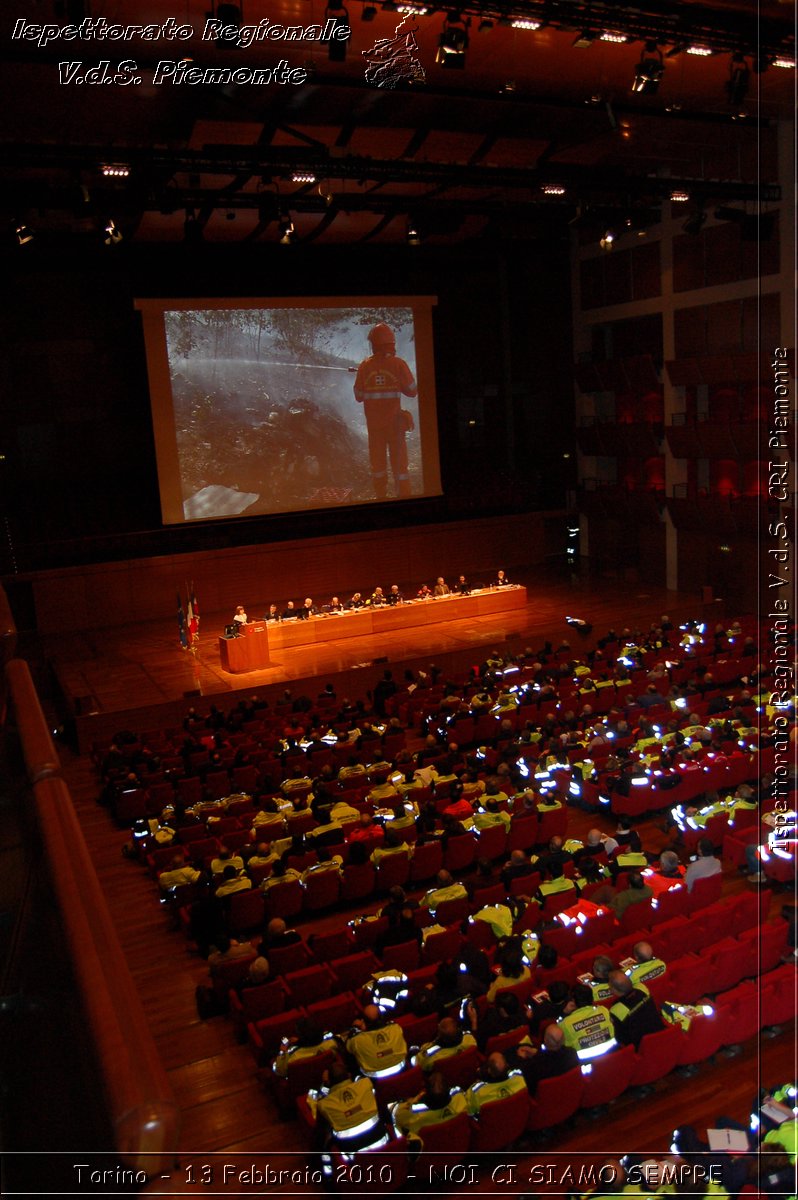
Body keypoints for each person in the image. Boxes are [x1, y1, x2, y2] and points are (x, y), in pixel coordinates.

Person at [353, 322, 417, 500]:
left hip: (375, 428)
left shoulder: (365, 366)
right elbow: (412, 391)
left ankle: (381, 498)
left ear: (373, 344)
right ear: (391, 343)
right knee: (400, 468)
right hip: (395, 425)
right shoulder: (399, 364)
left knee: (378, 467)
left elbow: (358, 395)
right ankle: (403, 499)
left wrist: (366, 380)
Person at [345, 1004, 408, 1078]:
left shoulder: (356, 1040)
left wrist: (354, 1028)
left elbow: (347, 1048)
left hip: (374, 1079)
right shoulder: (395, 1028)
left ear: (364, 1022)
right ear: (381, 1017)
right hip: (401, 1070)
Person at [607, 970, 664, 1047]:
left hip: (640, 1047)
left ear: (614, 990)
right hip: (660, 1033)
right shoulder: (642, 988)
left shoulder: (616, 1010)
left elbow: (620, 1038)